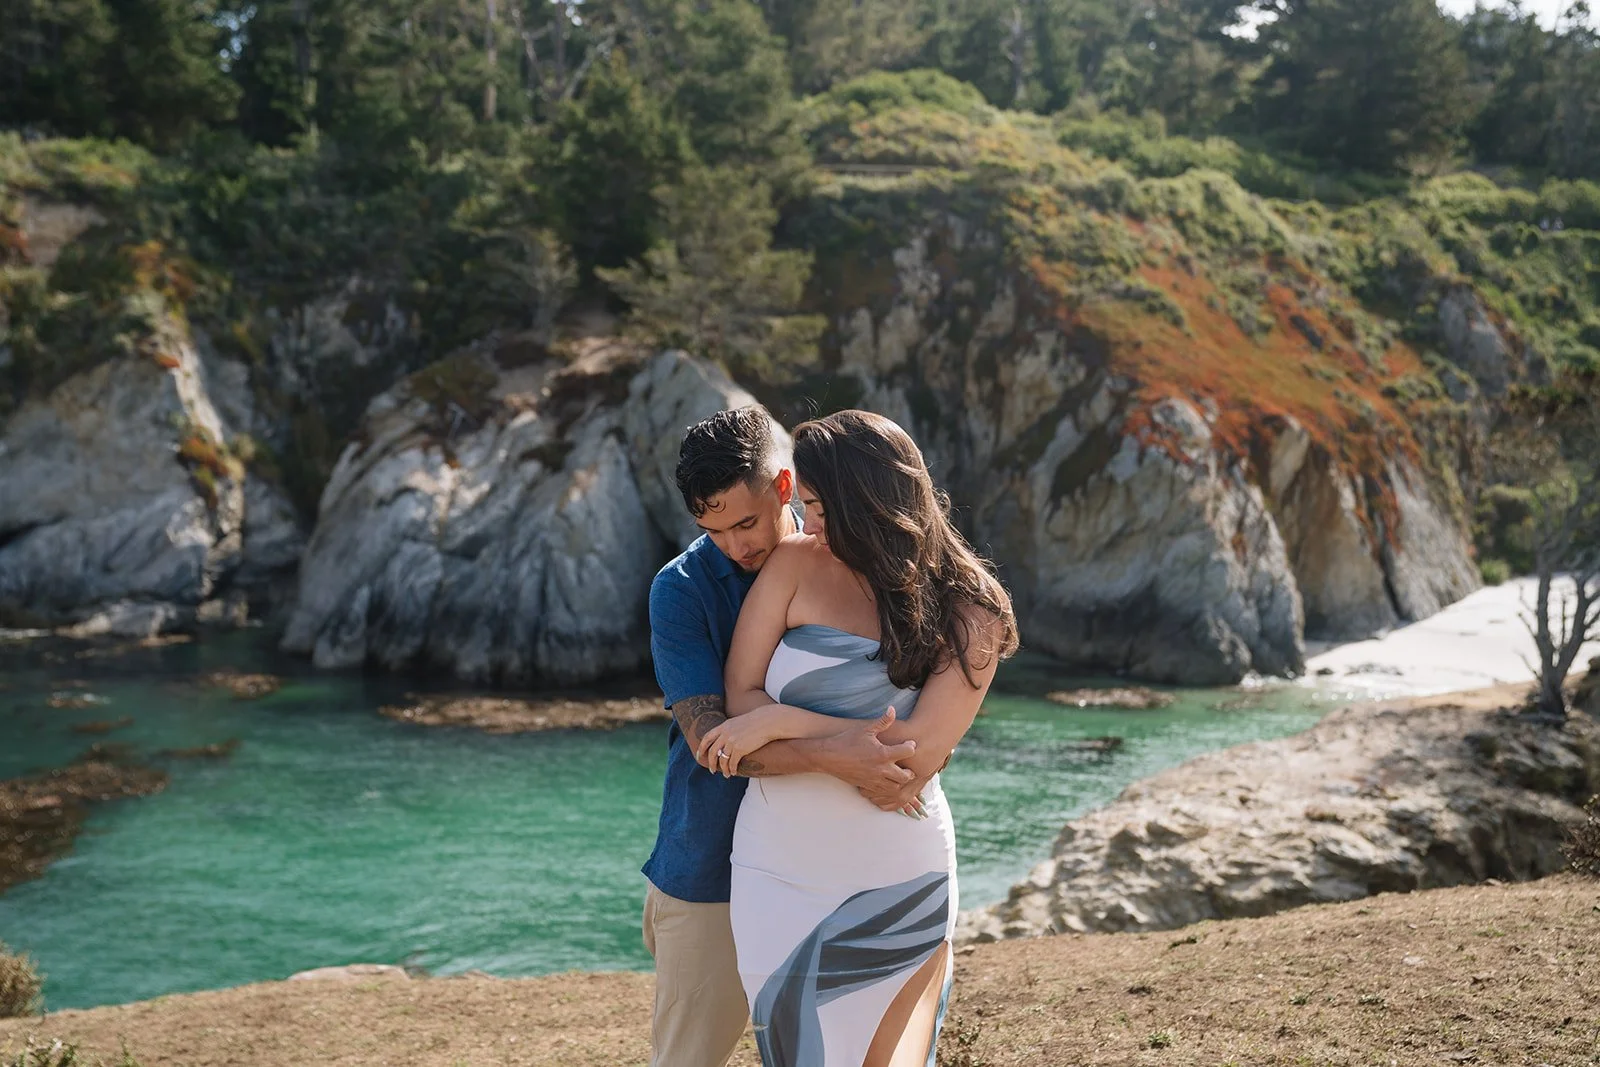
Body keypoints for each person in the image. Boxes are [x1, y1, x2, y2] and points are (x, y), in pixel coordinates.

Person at [695, 409, 1019, 1067]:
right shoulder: (793, 563)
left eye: (816, 505)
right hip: (777, 868)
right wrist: (811, 734)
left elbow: (914, 758)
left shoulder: (973, 607)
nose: (806, 522)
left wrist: (783, 718)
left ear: (867, 500)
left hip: (897, 875)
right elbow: (739, 698)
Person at [642, 407, 932, 1067]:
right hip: (709, 863)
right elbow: (710, 739)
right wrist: (839, 755)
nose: (735, 547)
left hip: (838, 860)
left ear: (782, 487)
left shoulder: (848, 555)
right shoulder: (679, 590)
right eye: (711, 530)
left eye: (745, 522)